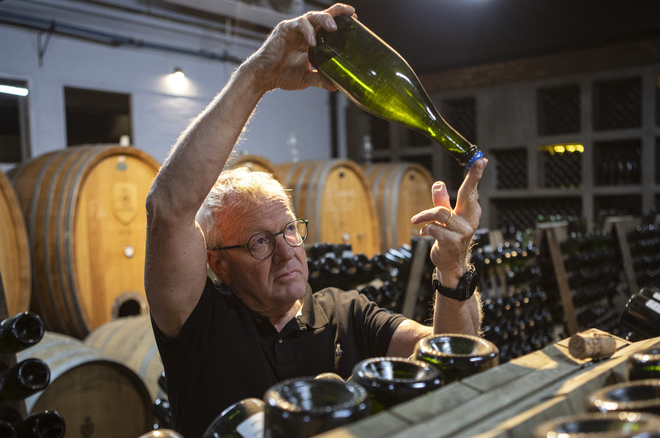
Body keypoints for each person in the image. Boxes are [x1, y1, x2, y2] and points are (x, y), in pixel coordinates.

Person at [144, 3, 488, 437]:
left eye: (289, 229)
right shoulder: (199, 324)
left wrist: (454, 268)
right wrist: (260, 76)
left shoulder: (345, 312)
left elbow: (453, 359)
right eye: (260, 242)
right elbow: (168, 208)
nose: (288, 250)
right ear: (217, 263)